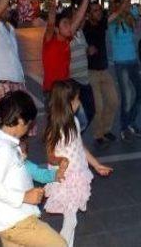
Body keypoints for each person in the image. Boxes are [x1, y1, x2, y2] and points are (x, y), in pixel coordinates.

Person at [0, 91, 67, 247]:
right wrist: (24, 197)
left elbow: (22, 171)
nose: (28, 129)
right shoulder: (2, 149)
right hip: (17, 221)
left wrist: (52, 175)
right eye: (28, 124)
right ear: (19, 121)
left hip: (7, 222)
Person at [44, 80, 113, 246]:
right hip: (65, 179)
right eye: (76, 99)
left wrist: (96, 165)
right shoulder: (56, 128)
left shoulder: (74, 122)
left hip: (77, 175)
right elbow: (50, 155)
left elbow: (80, 146)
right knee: (71, 220)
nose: (79, 102)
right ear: (67, 103)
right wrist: (61, 160)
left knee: (71, 219)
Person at [42, 0, 98, 106]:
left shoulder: (67, 39)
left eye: (69, 23)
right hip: (52, 91)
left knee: (75, 121)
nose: (69, 26)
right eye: (65, 24)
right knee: (57, 124)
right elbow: (51, 19)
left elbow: (78, 17)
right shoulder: (50, 40)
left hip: (66, 89)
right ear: (57, 29)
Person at [108, 0, 141, 142]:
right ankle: (124, 126)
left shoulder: (131, 15)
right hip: (121, 62)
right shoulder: (112, 19)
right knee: (127, 95)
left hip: (133, 61)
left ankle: (130, 121)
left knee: (140, 92)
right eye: (125, 3)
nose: (128, 5)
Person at [84, 1, 119, 147]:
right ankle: (98, 134)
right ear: (88, 14)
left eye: (99, 10)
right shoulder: (84, 28)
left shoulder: (101, 23)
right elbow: (77, 44)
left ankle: (106, 129)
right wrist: (87, 50)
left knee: (113, 101)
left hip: (104, 70)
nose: (98, 12)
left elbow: (116, 13)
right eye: (95, 10)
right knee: (98, 107)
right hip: (91, 72)